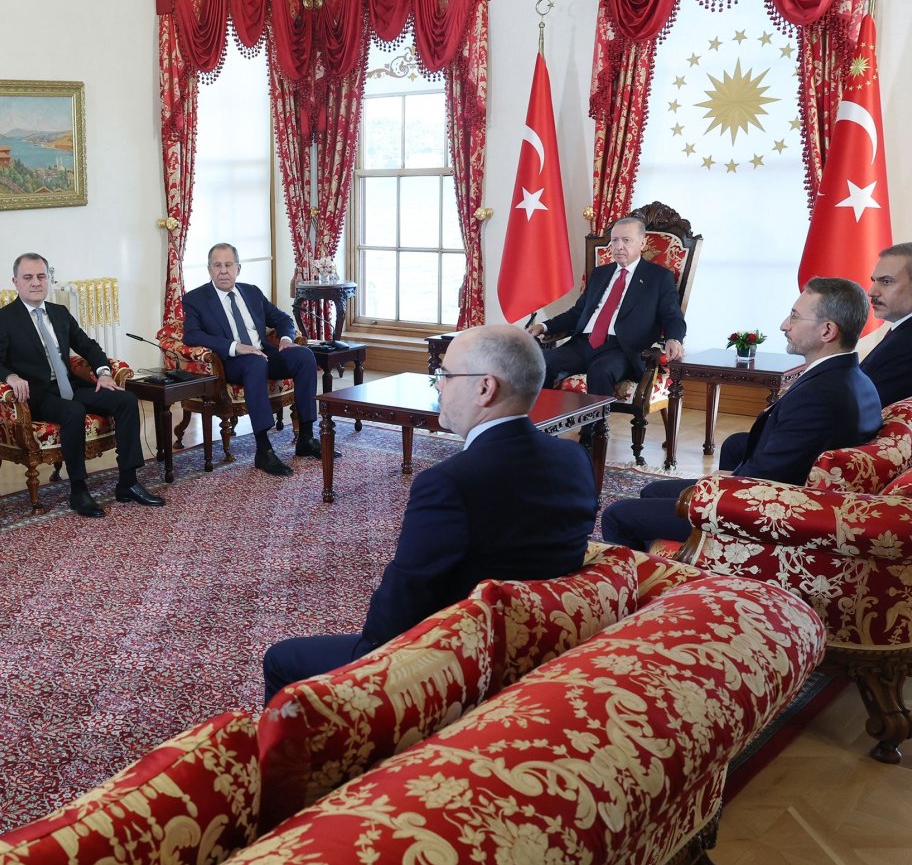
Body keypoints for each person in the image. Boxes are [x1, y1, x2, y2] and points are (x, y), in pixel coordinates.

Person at [261, 325, 596, 702]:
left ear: (485, 388)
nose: (437, 387)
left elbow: (394, 619)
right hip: (537, 646)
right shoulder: (574, 460)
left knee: (281, 659)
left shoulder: (449, 484)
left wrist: (371, 648)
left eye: (445, 376)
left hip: (451, 664)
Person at [601, 277, 883, 551]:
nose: (784, 325)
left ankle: (652, 580)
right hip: (781, 495)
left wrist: (723, 482)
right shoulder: (856, 379)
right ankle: (675, 561)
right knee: (652, 491)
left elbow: (766, 480)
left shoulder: (820, 396)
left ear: (827, 331)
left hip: (763, 514)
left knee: (617, 514)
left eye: (795, 317)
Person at [0, 252, 164, 518]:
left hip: (70, 386)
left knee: (125, 399)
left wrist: (103, 373)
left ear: (49, 279)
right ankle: (78, 490)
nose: (36, 283)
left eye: (41, 276)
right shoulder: (4, 318)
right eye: (28, 277)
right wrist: (11, 377)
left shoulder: (59, 313)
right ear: (15, 282)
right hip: (39, 394)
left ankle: (128, 482)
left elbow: (88, 346)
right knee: (73, 412)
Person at [182, 242, 324, 476]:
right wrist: (236, 347)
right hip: (233, 363)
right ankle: (264, 450)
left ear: (238, 268)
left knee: (304, 356)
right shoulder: (196, 299)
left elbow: (282, 318)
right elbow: (192, 334)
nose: (223, 271)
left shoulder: (251, 292)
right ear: (209, 270)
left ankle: (306, 437)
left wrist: (286, 339)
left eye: (228, 265)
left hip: (265, 354)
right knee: (255, 362)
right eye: (217, 265)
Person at [529, 216, 686, 395]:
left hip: (622, 349)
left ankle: (595, 424)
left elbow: (672, 316)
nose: (618, 246)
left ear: (642, 244)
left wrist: (674, 338)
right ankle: (545, 422)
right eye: (614, 240)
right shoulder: (600, 274)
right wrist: (543, 326)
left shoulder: (658, 277)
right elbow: (577, 313)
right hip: (582, 344)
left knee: (600, 372)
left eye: (626, 240)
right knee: (538, 363)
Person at [861, 242, 912, 407]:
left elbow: (861, 407)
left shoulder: (905, 345)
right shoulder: (901, 332)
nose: (872, 292)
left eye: (887, 281)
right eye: (874, 281)